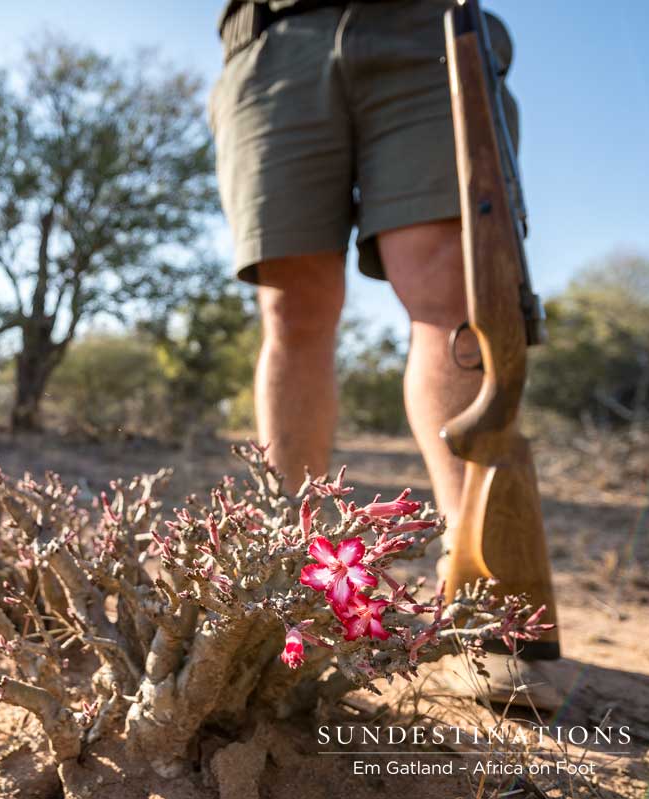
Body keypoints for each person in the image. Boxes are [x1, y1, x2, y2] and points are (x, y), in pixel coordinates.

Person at [208, 0, 567, 709]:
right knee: (292, 308)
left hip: (425, 24)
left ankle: (486, 596)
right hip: (275, 36)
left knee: (450, 290)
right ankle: (298, 587)